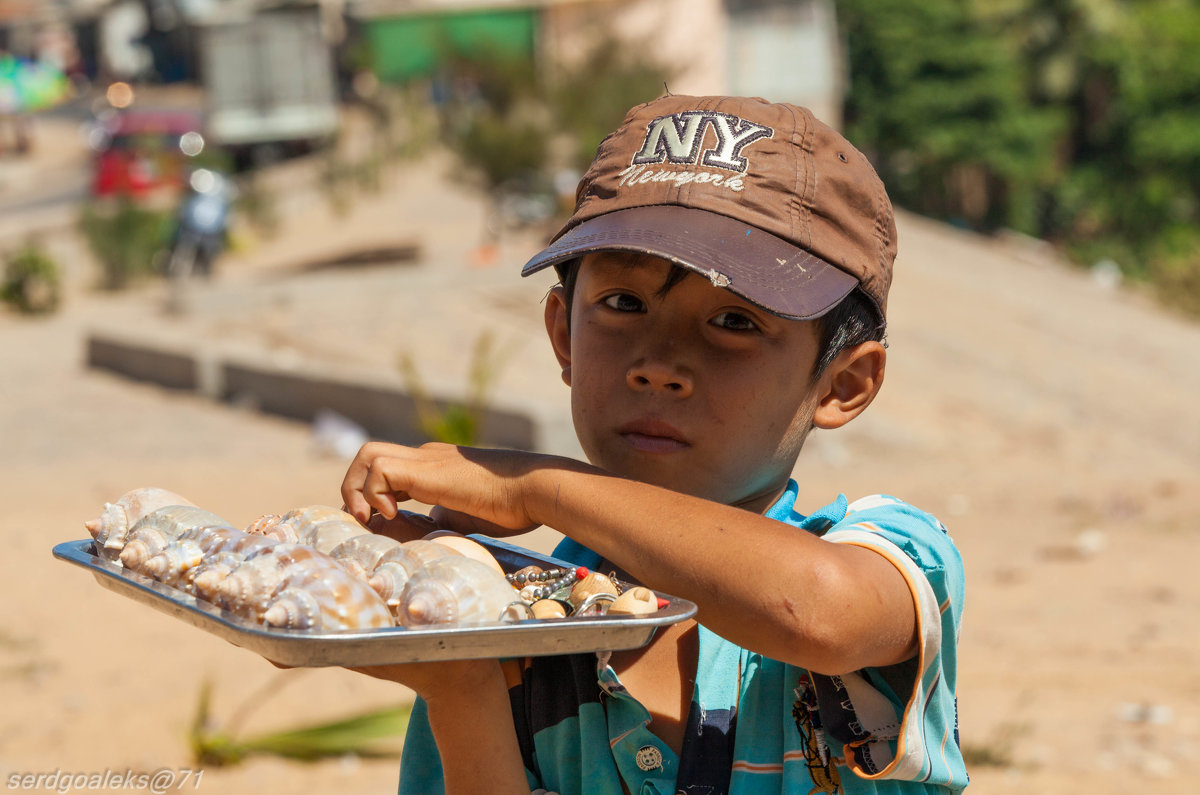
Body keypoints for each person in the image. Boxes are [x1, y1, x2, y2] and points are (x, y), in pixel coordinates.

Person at [339, 95, 967, 795]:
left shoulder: (893, 553)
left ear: (842, 384)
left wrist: (540, 486)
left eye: (733, 321)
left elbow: (816, 612)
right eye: (624, 304)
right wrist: (462, 685)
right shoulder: (513, 623)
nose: (659, 363)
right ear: (563, 334)